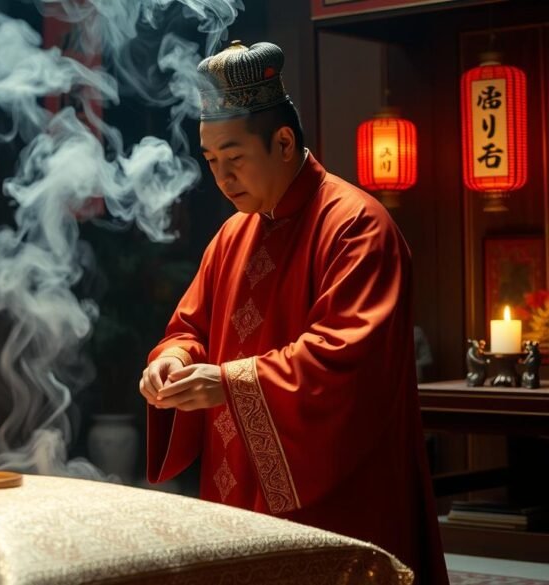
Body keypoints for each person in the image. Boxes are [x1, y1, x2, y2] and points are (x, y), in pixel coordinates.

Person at [138, 41, 448, 584]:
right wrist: (172, 361)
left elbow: (343, 360)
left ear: (284, 142)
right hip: (236, 485)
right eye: (211, 162)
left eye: (235, 159)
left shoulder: (357, 226)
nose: (222, 178)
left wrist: (229, 384)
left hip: (336, 497)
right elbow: (190, 329)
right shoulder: (233, 234)